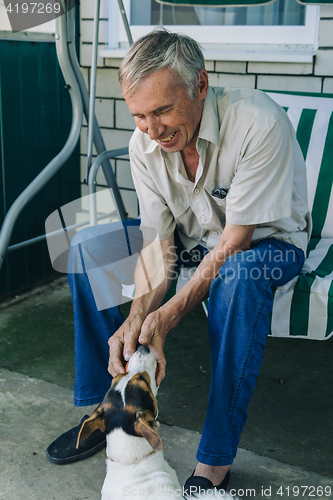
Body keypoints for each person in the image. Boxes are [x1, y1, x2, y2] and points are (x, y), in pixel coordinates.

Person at [46, 29, 311, 493]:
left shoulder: (256, 121)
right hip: (193, 242)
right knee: (90, 246)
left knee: (239, 275)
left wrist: (164, 317)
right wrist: (136, 317)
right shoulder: (143, 143)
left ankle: (214, 458)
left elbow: (234, 243)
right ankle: (106, 415)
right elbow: (159, 244)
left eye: (163, 110)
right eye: (140, 115)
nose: (152, 129)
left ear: (201, 85)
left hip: (265, 244)